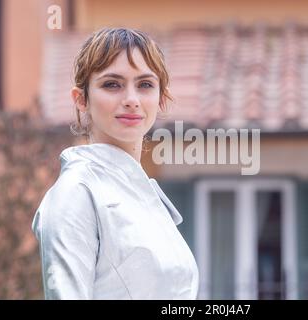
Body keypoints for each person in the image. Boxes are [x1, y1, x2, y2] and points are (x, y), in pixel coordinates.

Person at [31, 27, 199, 300]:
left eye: (145, 84)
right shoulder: (76, 194)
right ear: (81, 99)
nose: (131, 100)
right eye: (112, 84)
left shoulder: (146, 197)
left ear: (161, 99)